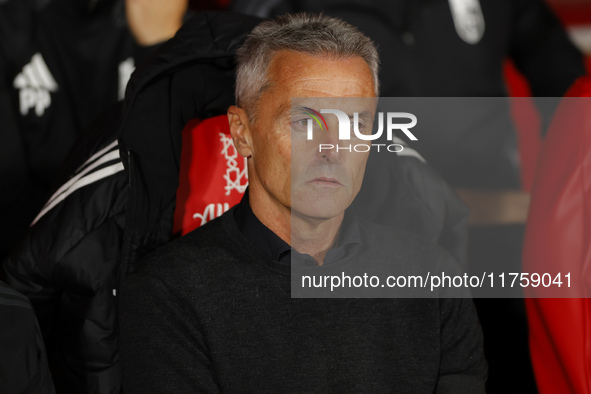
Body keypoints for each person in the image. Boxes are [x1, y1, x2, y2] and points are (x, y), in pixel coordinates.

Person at [120, 13, 486, 392]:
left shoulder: (432, 275)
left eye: (355, 124)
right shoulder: (169, 294)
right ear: (242, 133)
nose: (332, 149)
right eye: (305, 122)